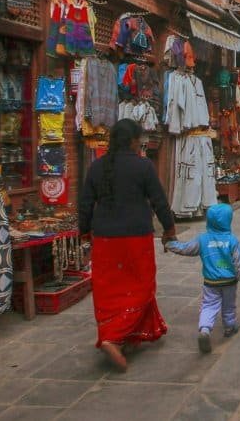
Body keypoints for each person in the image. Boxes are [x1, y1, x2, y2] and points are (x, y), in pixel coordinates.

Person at [78, 119, 177, 371]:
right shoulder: (143, 166)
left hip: (104, 238)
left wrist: (83, 232)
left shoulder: (97, 167)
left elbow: (85, 203)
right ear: (133, 141)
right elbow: (159, 201)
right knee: (140, 287)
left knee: (109, 288)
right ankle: (112, 338)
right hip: (136, 237)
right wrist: (169, 228)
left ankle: (123, 336)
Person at [165, 203, 240, 354]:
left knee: (208, 305)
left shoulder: (203, 239)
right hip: (229, 282)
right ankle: (229, 327)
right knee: (229, 306)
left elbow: (186, 249)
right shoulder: (232, 241)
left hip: (210, 282)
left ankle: (205, 329)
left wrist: (170, 244)